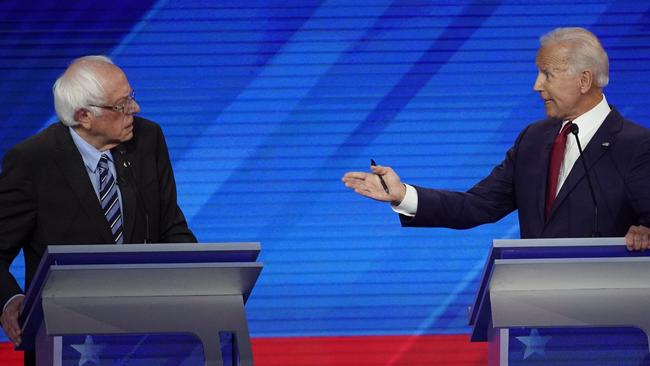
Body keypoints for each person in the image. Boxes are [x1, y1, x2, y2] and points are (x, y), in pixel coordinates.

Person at [343, 27, 650, 250]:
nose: (536, 86)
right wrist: (403, 195)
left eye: (547, 74)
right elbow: (477, 205)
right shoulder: (533, 139)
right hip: (540, 316)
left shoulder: (636, 145)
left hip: (614, 318)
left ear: (584, 80)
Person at [0, 55, 197, 363]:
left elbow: (171, 226)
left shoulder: (148, 139)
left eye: (131, 97)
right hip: (64, 337)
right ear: (84, 116)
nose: (135, 109)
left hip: (146, 330)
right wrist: (10, 300)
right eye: (121, 105)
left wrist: (199, 279)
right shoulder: (32, 161)